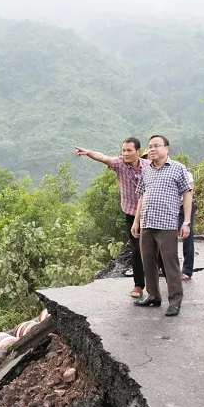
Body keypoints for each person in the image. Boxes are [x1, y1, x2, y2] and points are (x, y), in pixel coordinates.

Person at [75, 138, 149, 298]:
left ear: (138, 151)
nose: (126, 154)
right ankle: (138, 285)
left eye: (129, 150)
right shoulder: (119, 164)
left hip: (150, 212)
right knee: (137, 249)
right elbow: (103, 157)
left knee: (155, 247)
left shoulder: (148, 166)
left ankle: (166, 278)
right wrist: (88, 153)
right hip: (131, 214)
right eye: (123, 150)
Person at [130, 134, 192, 317]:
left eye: (156, 146)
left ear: (166, 148)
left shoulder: (178, 169)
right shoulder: (146, 170)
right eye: (150, 146)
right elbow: (141, 196)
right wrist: (136, 221)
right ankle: (153, 296)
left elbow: (187, 194)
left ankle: (175, 300)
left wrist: (186, 222)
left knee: (170, 263)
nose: (152, 149)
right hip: (147, 223)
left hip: (167, 224)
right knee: (148, 262)